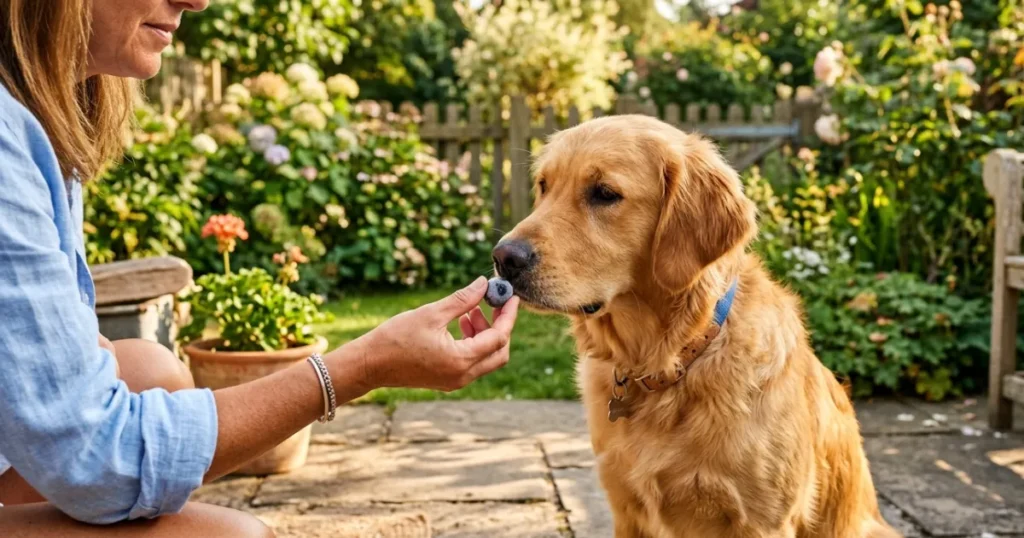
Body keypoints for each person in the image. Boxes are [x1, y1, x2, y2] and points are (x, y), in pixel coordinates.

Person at [0, 0, 520, 536]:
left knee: (154, 372)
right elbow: (102, 462)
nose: (196, 2)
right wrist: (364, 366)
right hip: (88, 461)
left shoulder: (39, 118)